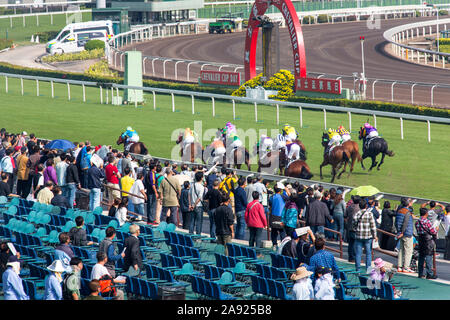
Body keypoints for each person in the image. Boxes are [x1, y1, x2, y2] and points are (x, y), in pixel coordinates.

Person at [352, 200, 377, 272]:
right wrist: (375, 235)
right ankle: (368, 269)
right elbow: (373, 226)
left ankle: (358, 269)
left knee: (358, 254)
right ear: (366, 206)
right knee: (368, 253)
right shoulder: (369, 214)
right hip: (368, 236)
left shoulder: (357, 214)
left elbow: (353, 225)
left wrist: (356, 230)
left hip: (359, 236)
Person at [415, 207, 438, 279]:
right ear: (426, 213)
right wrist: (436, 230)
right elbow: (433, 231)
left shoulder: (417, 222)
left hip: (421, 240)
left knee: (421, 257)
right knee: (428, 256)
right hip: (428, 240)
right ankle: (429, 273)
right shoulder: (427, 222)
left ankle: (420, 273)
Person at [395, 198, 415, 273]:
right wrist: (403, 232)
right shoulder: (407, 212)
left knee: (401, 250)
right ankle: (406, 267)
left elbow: (396, 222)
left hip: (401, 233)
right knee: (408, 251)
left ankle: (399, 266)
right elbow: (405, 223)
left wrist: (399, 232)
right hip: (407, 233)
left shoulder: (399, 210)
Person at [268, 183, 288, 250]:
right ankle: (283, 245)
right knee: (282, 232)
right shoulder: (283, 196)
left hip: (273, 217)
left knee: (274, 231)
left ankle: (274, 244)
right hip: (281, 217)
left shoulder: (272, 197)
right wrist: (286, 189)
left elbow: (270, 205)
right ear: (280, 190)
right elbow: (290, 197)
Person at [189, 171, 206, 235]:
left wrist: (190, 204)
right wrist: (194, 205)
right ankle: (198, 236)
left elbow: (189, 194)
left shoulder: (192, 185)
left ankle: (190, 235)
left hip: (192, 205)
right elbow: (199, 198)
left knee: (192, 221)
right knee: (199, 222)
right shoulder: (201, 187)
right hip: (198, 206)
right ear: (201, 178)